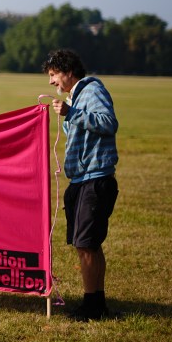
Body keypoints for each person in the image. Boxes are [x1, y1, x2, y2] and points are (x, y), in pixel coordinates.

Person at [42, 49, 119, 321]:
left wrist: (72, 112)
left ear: (68, 72)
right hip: (81, 180)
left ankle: (92, 306)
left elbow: (109, 123)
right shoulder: (76, 97)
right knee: (88, 244)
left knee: (86, 244)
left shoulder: (91, 90)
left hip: (95, 179)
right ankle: (97, 303)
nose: (51, 81)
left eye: (53, 75)